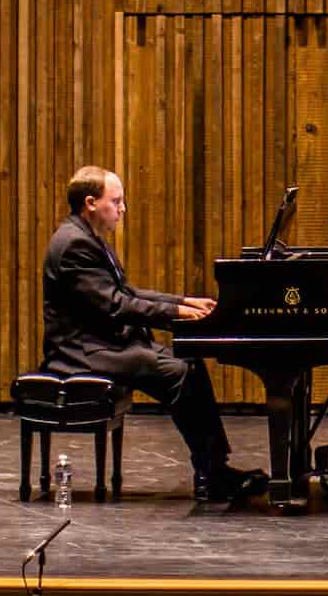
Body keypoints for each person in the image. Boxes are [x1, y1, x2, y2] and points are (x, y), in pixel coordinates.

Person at [41, 165, 270, 502]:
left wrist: (183, 301)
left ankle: (214, 468)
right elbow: (116, 305)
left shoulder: (87, 237)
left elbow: (127, 291)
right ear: (90, 202)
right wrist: (176, 314)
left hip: (102, 343)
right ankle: (212, 474)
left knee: (189, 362)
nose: (122, 209)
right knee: (178, 372)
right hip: (81, 351)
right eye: (115, 201)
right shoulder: (75, 244)